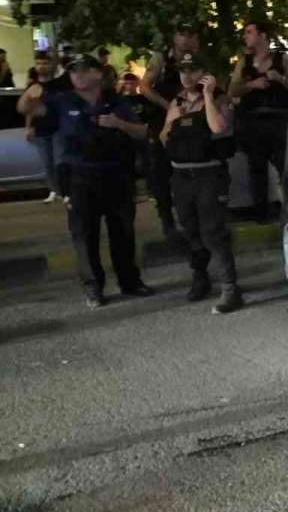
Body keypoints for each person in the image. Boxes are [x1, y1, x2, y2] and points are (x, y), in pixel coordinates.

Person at [25, 55, 153, 308]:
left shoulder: (116, 102)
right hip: (80, 177)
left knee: (123, 233)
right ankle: (93, 288)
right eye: (73, 72)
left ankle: (130, 282)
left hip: (116, 175)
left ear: (98, 73)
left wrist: (119, 124)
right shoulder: (62, 102)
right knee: (85, 236)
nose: (78, 76)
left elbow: (143, 131)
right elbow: (29, 111)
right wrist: (31, 95)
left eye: (84, 71)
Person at [162, 51, 243, 314]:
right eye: (183, 70)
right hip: (181, 176)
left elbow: (218, 128)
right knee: (191, 230)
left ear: (205, 74)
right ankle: (200, 278)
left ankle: (230, 288)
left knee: (213, 233)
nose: (186, 75)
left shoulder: (219, 99)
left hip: (208, 175)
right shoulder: (177, 101)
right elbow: (164, 136)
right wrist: (174, 122)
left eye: (193, 70)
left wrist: (207, 96)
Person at [229, 18, 288, 222]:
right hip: (253, 121)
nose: (245, 36)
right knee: (256, 169)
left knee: (285, 167)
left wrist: (279, 79)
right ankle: (261, 214)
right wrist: (252, 85)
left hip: (278, 120)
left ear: (263, 35)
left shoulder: (282, 59)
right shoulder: (244, 62)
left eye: (249, 31)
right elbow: (232, 89)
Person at [140, 27, 198, 237]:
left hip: (192, 121)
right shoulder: (161, 59)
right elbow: (144, 87)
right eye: (183, 36)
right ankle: (167, 219)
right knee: (160, 172)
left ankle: (190, 216)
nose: (186, 42)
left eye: (190, 37)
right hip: (163, 120)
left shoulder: (199, 58)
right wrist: (168, 106)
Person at [17, 49, 65, 202]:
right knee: (47, 163)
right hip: (40, 130)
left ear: (52, 65)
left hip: (58, 128)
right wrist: (28, 127)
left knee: (60, 162)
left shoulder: (59, 85)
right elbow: (29, 109)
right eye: (38, 63)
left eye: (45, 63)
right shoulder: (32, 86)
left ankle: (65, 191)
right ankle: (54, 191)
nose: (41, 66)